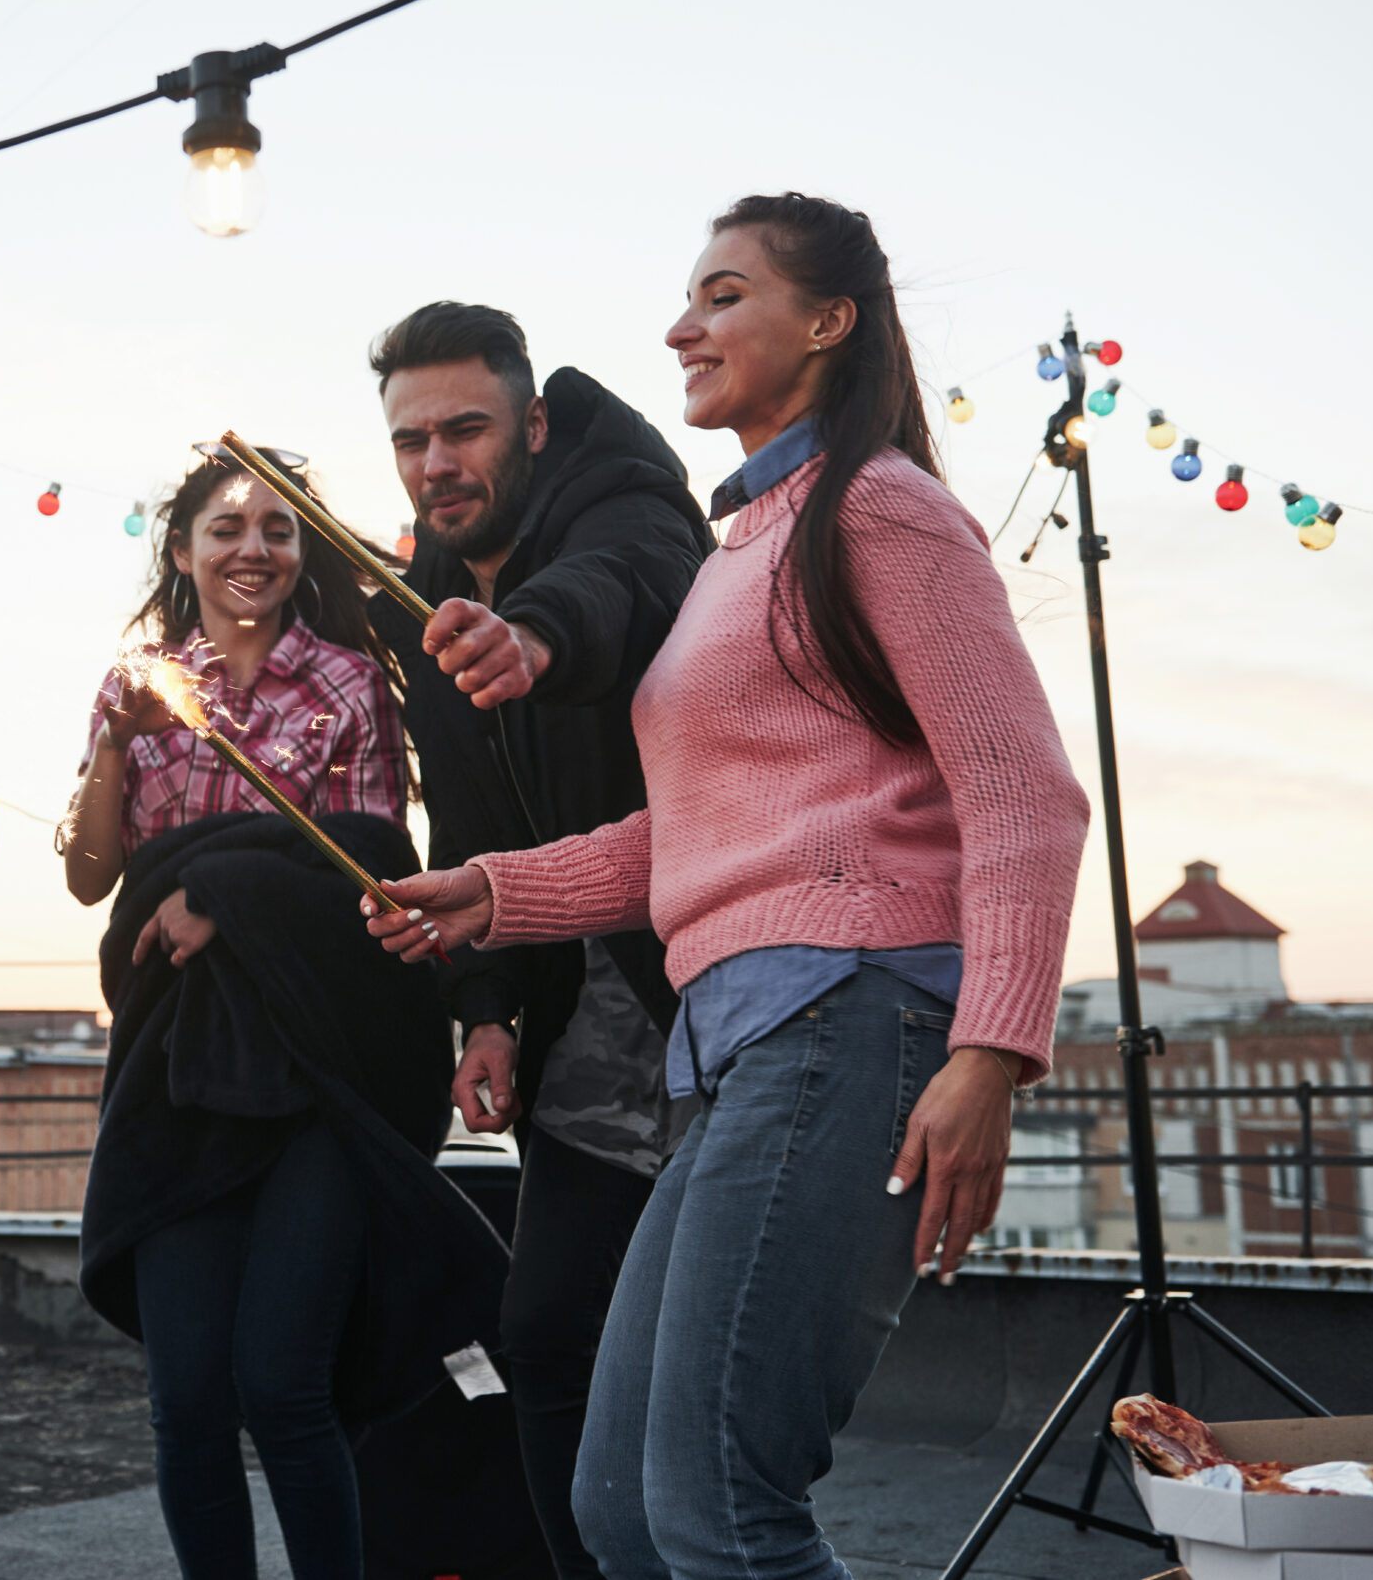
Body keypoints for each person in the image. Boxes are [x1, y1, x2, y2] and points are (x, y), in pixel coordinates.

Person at [367, 193, 1091, 1580]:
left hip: (842, 1014)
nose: (679, 327)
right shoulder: (740, 550)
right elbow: (688, 836)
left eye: (723, 295)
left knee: (719, 1515)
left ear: (827, 322)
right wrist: (494, 893)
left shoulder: (883, 511)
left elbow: (1023, 792)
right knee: (624, 1513)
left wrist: (992, 1050)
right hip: (733, 1047)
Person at [66, 447, 506, 1580]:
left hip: (315, 1058)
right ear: (181, 550)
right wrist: (111, 746)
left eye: (277, 527)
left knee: (283, 1380)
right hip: (177, 1061)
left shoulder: (349, 681)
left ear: (302, 551)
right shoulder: (142, 683)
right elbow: (90, 873)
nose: (251, 546)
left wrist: (223, 894)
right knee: (188, 1398)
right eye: (224, 527)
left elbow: (367, 869)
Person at [363, 300, 710, 1580]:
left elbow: (626, 584)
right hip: (578, 1022)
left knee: (706, 1385)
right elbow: (463, 818)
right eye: (410, 439)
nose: (436, 462)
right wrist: (487, 1011)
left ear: (536, 424)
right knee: (547, 1332)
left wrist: (534, 636)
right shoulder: (425, 592)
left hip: (711, 992)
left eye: (463, 428)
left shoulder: (626, 499)